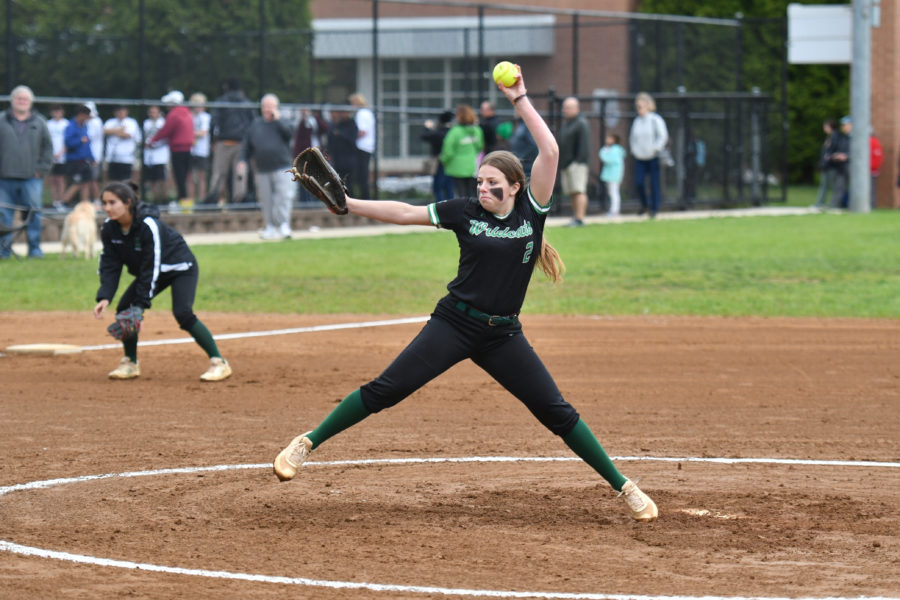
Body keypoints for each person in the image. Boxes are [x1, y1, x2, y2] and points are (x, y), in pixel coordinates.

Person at [273, 66, 659, 523]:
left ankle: (624, 486)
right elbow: (404, 213)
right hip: (454, 324)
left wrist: (519, 98)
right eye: (479, 181)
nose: (483, 188)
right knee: (386, 389)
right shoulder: (465, 211)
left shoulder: (532, 212)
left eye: (492, 183)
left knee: (556, 411)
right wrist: (348, 204)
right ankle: (307, 442)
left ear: (516, 186)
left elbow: (550, 150)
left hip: (502, 336)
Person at [93, 180, 232, 382]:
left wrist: (140, 305)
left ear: (128, 202)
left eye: (112, 202)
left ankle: (219, 362)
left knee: (182, 313)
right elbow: (110, 264)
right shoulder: (109, 229)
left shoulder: (148, 225)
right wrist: (105, 296)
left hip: (180, 267)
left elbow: (152, 266)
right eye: (104, 203)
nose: (107, 208)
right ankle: (131, 363)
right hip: (153, 270)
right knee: (125, 309)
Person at [0, 85, 53, 259]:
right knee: (3, 217)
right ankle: (3, 250)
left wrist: (41, 170)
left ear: (31, 102)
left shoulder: (40, 122)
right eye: (18, 98)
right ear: (12, 100)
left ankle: (35, 250)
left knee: (33, 215)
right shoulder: (1, 120)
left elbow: (48, 148)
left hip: (32, 178)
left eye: (25, 99)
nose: (22, 101)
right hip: (4, 178)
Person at [237, 93, 294, 240]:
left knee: (283, 197)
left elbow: (289, 134)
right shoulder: (255, 124)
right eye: (265, 106)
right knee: (266, 199)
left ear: (276, 107)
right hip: (263, 169)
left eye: (270, 106)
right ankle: (270, 226)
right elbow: (246, 145)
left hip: (282, 166)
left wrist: (278, 119)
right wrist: (242, 160)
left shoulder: (283, 122)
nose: (267, 109)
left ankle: (283, 225)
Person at [208, 77, 255, 207]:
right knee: (240, 173)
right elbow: (253, 122)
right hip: (241, 142)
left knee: (219, 172)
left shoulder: (221, 101)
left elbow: (213, 122)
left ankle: (214, 197)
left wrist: (212, 139)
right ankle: (239, 199)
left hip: (224, 141)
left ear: (226, 87)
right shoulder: (246, 102)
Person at [149, 91, 193, 210]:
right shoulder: (188, 112)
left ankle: (182, 202)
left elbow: (165, 131)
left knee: (179, 177)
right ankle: (187, 203)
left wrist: (152, 140)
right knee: (186, 177)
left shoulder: (174, 114)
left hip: (177, 149)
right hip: (188, 149)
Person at [629, 92, 668, 218]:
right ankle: (645, 204)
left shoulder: (655, 119)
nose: (638, 108)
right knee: (639, 182)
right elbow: (632, 139)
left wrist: (655, 148)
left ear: (647, 105)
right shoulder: (637, 121)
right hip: (640, 157)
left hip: (653, 157)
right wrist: (635, 151)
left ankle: (654, 208)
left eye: (640, 106)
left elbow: (663, 136)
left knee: (654, 183)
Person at [558, 97, 591, 226]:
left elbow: (584, 145)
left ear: (576, 109)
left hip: (577, 164)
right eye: (564, 107)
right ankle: (575, 217)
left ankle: (580, 218)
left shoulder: (581, 123)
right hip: (567, 163)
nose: (564, 110)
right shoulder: (568, 124)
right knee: (572, 191)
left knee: (579, 190)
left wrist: (577, 161)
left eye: (568, 108)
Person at [440, 104, 484, 199]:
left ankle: (462, 213)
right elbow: (480, 147)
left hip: (457, 167)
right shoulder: (477, 130)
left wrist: (444, 161)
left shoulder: (455, 131)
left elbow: (448, 151)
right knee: (473, 194)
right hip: (473, 166)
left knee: (461, 195)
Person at [62, 104, 95, 207]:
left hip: (84, 160)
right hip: (74, 161)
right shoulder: (70, 126)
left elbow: (87, 144)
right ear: (81, 115)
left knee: (86, 183)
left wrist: (92, 157)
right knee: (77, 183)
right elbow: (68, 143)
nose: (87, 119)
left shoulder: (84, 126)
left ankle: (85, 204)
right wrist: (80, 141)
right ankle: (63, 202)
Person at [420, 110, 455, 203]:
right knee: (449, 187)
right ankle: (450, 207)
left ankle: (440, 209)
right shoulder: (453, 132)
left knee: (438, 187)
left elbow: (424, 136)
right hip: (452, 162)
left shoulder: (438, 133)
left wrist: (427, 127)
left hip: (440, 161)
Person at [103, 105, 140, 183]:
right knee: (112, 180)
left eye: (122, 111)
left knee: (126, 180)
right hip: (112, 157)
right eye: (118, 111)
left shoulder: (131, 122)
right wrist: (120, 130)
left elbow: (128, 135)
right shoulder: (110, 121)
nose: (120, 113)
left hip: (126, 157)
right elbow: (104, 131)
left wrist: (112, 131)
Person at [142, 104, 170, 205]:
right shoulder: (146, 123)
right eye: (150, 112)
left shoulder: (163, 123)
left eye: (154, 112)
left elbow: (167, 137)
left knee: (162, 179)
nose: (152, 114)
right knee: (152, 180)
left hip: (161, 155)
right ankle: (154, 200)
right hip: (149, 156)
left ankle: (164, 199)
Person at [349, 93, 375, 198]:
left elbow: (362, 131)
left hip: (362, 146)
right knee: (363, 174)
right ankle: (365, 196)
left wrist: (351, 138)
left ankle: (365, 197)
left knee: (361, 175)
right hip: (368, 146)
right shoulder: (368, 112)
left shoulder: (361, 113)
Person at [324, 109, 359, 187]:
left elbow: (352, 139)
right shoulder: (337, 125)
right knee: (339, 183)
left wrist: (340, 134)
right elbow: (331, 141)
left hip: (349, 160)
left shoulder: (352, 125)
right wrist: (328, 153)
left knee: (349, 184)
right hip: (338, 160)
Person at [188, 93, 211, 204]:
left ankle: (202, 199)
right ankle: (191, 200)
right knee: (191, 177)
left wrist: (191, 134)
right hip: (191, 150)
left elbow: (204, 132)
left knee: (202, 176)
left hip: (202, 150)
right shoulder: (189, 116)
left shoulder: (206, 117)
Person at [46, 104, 69, 208]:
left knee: (60, 179)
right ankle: (55, 201)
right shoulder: (48, 124)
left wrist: (61, 153)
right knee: (52, 179)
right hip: (50, 156)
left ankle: (61, 201)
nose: (56, 114)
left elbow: (68, 141)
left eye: (58, 111)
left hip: (62, 156)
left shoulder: (66, 124)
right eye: (54, 111)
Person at [599, 133, 626, 217]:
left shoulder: (614, 150)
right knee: (612, 192)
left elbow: (607, 159)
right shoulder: (615, 149)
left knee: (613, 192)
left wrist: (603, 152)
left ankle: (614, 210)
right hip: (613, 175)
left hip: (613, 175)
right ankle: (614, 209)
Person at [83, 101, 104, 202]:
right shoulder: (86, 122)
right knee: (86, 180)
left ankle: (97, 200)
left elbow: (88, 137)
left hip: (94, 155)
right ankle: (87, 201)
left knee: (94, 180)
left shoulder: (96, 122)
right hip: (86, 155)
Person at [870, 128, 883, 210]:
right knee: (871, 189)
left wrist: (871, 167)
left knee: (871, 189)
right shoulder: (874, 141)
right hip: (871, 170)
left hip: (871, 170)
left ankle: (871, 205)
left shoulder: (872, 142)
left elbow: (877, 157)